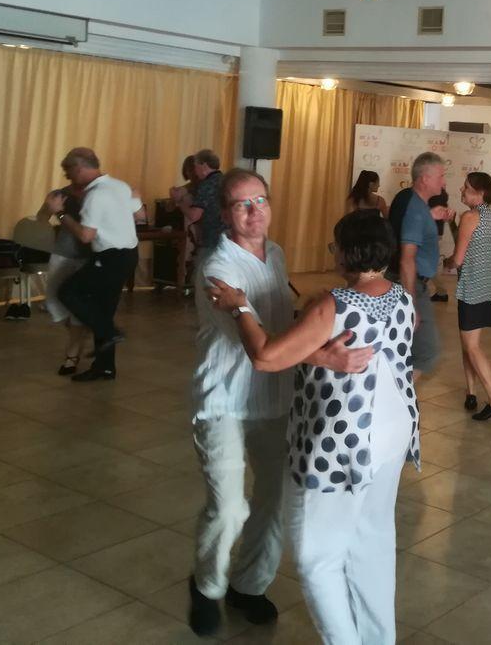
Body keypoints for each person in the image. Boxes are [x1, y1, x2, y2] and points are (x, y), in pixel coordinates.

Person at [206, 211, 420, 645]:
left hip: (344, 436)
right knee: (373, 542)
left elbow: (266, 356)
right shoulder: (402, 297)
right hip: (393, 429)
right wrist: (318, 349)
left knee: (317, 557)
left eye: (335, 246)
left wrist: (239, 307)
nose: (333, 253)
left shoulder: (334, 305)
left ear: (349, 252)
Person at [187, 169, 362, 635]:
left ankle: (249, 585)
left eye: (260, 201)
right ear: (225, 214)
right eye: (241, 205)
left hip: (275, 398)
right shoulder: (217, 269)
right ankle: (206, 585)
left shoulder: (277, 254)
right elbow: (258, 346)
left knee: (274, 498)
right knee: (229, 508)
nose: (254, 212)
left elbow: (280, 324)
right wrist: (323, 355)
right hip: (224, 400)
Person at [47, 148, 142, 382]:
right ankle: (105, 367)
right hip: (129, 255)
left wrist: (60, 214)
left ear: (79, 168)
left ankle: (109, 332)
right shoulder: (120, 185)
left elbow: (85, 235)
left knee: (68, 292)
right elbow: (139, 216)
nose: (68, 178)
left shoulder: (95, 194)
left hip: (110, 257)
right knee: (103, 309)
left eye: (69, 173)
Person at [444, 172, 491, 420]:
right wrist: (452, 224)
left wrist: (446, 262)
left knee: (471, 347)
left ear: (480, 192)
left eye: (466, 187)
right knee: (468, 343)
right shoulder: (490, 217)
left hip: (472, 289)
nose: (461, 190)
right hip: (489, 288)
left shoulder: (470, 217)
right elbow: (469, 244)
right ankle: (470, 393)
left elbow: (458, 259)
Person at [387, 153, 453, 375]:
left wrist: (430, 216)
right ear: (425, 178)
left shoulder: (416, 204)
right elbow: (407, 258)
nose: (444, 182)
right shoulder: (416, 210)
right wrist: (411, 304)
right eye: (440, 176)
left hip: (412, 283)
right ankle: (400, 394)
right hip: (411, 284)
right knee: (427, 351)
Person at [37, 181, 90, 375]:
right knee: (53, 302)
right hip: (62, 254)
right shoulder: (62, 193)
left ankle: (72, 355)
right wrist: (49, 207)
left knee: (76, 305)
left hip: (87, 255)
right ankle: (84, 331)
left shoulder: (97, 193)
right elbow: (41, 218)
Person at [171, 149, 226, 263]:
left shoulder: (206, 185)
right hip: (229, 239)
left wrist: (179, 202)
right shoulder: (226, 180)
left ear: (203, 165)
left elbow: (194, 215)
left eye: (195, 166)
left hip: (212, 240)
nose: (195, 171)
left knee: (204, 271)